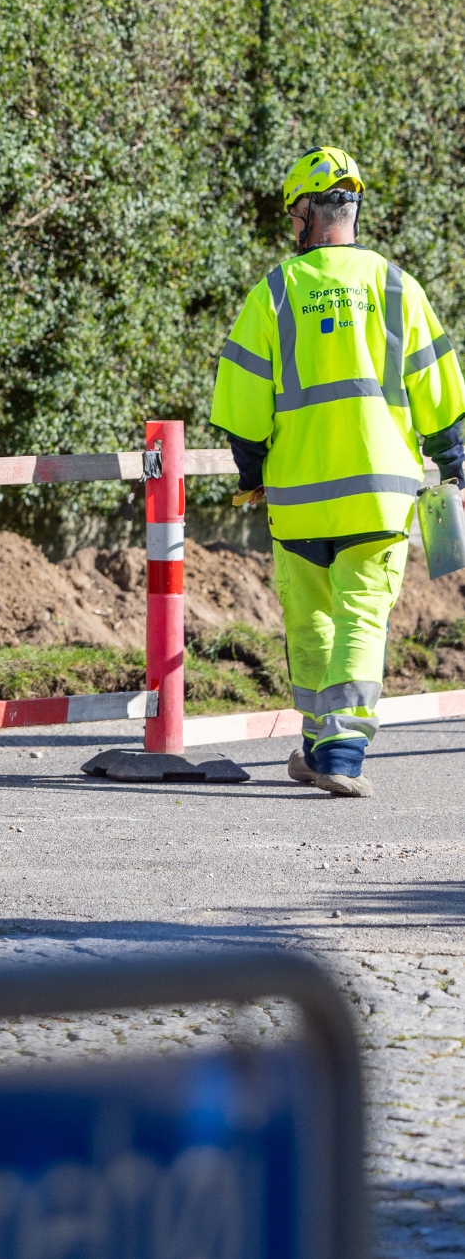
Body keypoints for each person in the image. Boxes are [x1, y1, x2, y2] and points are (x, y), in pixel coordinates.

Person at [212, 148, 465, 798]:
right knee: (360, 615)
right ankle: (340, 752)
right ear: (350, 211)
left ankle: (321, 744)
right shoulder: (394, 286)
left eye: (294, 214)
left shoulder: (276, 291)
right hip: (379, 496)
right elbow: (439, 388)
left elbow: (242, 403)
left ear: (307, 215)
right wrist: (453, 465)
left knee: (311, 619)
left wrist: (252, 470)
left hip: (298, 494)